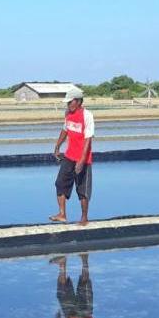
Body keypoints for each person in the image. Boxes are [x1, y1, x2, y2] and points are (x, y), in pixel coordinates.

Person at [50, 87, 94, 225]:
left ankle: (84, 218)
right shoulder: (68, 113)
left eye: (70, 102)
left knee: (82, 189)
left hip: (83, 159)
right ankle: (62, 214)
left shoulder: (87, 115)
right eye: (67, 102)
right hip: (69, 156)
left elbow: (88, 139)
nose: (68, 104)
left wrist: (81, 161)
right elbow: (65, 129)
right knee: (60, 183)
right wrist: (57, 145)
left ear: (78, 101)